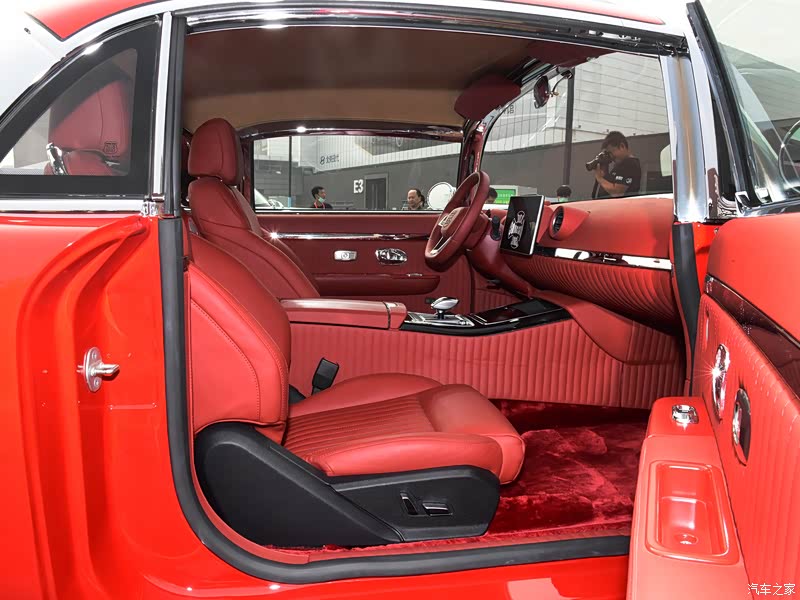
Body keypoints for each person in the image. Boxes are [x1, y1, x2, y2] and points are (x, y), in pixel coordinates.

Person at [592, 131, 641, 198]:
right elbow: (611, 185)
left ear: (622, 146)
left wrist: (599, 178)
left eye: (611, 152)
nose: (611, 156)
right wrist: (605, 172)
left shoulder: (630, 164)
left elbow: (617, 193)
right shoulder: (621, 165)